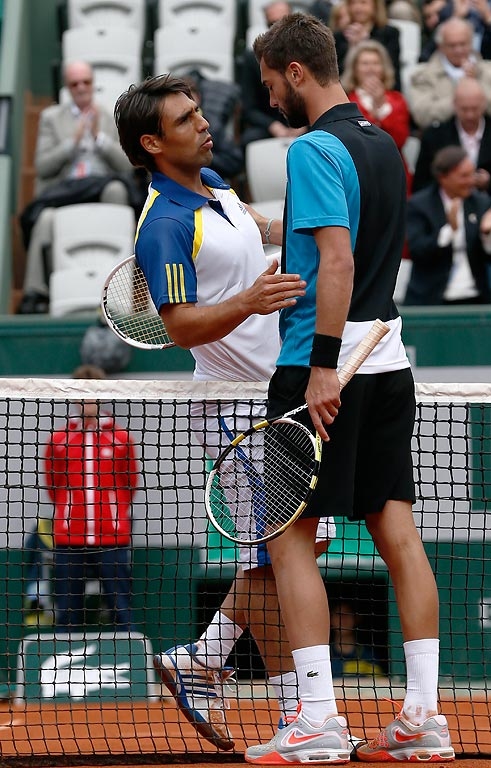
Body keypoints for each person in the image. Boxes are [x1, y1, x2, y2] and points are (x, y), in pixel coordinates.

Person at [245, 12, 455, 763]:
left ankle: (317, 721)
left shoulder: (310, 148)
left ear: (296, 71)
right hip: (389, 361)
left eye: (271, 81)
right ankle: (421, 718)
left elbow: (337, 262)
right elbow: (351, 238)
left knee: (287, 539)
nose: (268, 95)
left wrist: (321, 366)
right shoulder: (382, 144)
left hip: (322, 363)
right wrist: (270, 230)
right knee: (397, 532)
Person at [113, 72, 337, 753]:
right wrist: (250, 300)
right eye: (184, 120)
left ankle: (202, 658)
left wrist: (309, 222)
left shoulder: (214, 184)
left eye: (197, 112)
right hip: (234, 407)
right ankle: (295, 708)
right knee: (274, 556)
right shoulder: (165, 224)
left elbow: (256, 226)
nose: (203, 123)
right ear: (152, 144)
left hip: (280, 396)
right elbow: (180, 325)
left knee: (296, 549)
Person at [17, 60, 135, 314]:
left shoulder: (108, 116)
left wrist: (99, 139)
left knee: (117, 191)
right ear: (67, 88)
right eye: (75, 84)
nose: (81, 88)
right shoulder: (51, 118)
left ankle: (121, 284)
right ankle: (35, 293)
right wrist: (73, 142)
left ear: (93, 84)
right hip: (65, 191)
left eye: (86, 82)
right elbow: (43, 166)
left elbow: (127, 166)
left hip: (100, 187)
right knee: (45, 219)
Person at [44, 364, 139, 631]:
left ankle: (127, 656)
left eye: (93, 392)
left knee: (121, 607)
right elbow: (53, 485)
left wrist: (113, 513)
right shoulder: (58, 440)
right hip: (69, 538)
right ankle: (65, 658)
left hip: (112, 538)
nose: (87, 399)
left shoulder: (121, 438)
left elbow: (130, 484)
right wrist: (69, 512)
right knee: (67, 609)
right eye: (82, 393)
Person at [405, 145, 491, 305]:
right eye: (464, 176)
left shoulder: (480, 203)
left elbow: (486, 255)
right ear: (443, 177)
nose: (471, 181)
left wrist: (487, 235)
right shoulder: (420, 205)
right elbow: (418, 251)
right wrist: (450, 230)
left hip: (476, 298)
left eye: (472, 174)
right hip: (432, 299)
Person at [341, 39, 413, 191]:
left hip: (393, 174)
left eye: (376, 63)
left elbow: (400, 139)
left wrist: (380, 107)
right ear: (355, 69)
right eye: (365, 63)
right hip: (359, 175)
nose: (371, 69)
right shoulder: (346, 102)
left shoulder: (397, 100)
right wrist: (374, 117)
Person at [240, 2, 306, 148]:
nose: (279, 28)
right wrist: (272, 126)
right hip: (270, 124)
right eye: (273, 23)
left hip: (306, 121)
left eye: (284, 22)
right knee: (249, 139)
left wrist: (305, 125)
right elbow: (249, 108)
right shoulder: (252, 60)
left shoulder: (308, 53)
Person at [408, 17, 491, 129]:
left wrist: (476, 86)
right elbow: (422, 116)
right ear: (441, 47)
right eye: (452, 45)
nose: (458, 50)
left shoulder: (488, 70)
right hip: (441, 136)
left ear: (471, 43)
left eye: (463, 44)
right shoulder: (423, 76)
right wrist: (460, 98)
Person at [413, 77, 491, 193]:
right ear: (454, 105)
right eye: (464, 109)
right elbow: (421, 183)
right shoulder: (435, 137)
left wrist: (489, 182)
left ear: (484, 104)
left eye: (475, 109)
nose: (469, 115)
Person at [333, 0, 402, 90]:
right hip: (348, 91)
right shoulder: (338, 37)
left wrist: (366, 41)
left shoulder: (390, 34)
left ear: (375, 6)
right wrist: (352, 48)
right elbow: (336, 73)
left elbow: (392, 68)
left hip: (383, 90)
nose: (357, 8)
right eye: (353, 3)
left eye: (363, 2)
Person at [329, 600, 385, 678]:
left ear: (356, 618)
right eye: (338, 614)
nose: (343, 619)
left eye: (347, 614)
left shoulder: (369, 655)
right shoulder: (325, 655)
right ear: (330, 619)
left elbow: (380, 681)